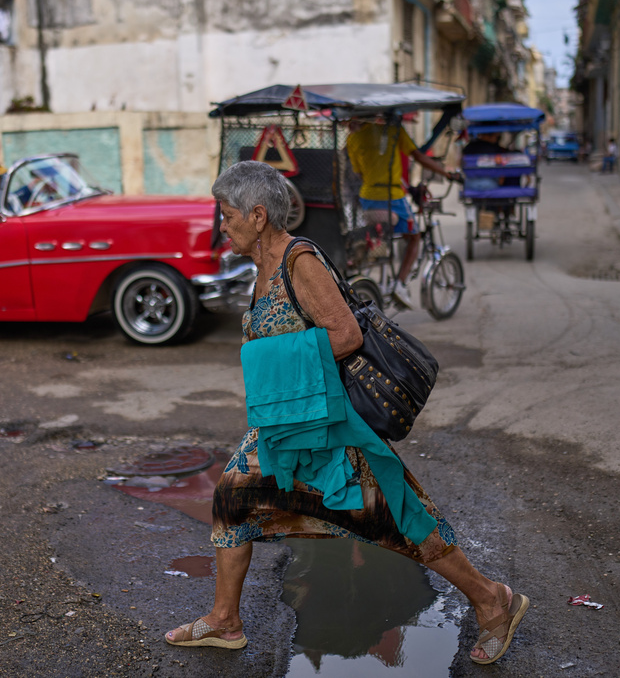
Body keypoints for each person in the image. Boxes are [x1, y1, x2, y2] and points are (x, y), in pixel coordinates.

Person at [163, 160, 529, 666]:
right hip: (286, 426)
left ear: (259, 215)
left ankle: (493, 600)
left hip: (330, 427)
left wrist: (277, 360)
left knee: (400, 520)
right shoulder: (261, 268)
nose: (222, 225)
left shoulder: (299, 261)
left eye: (227, 216)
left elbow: (346, 336)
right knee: (232, 499)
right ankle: (225, 621)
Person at [346, 120, 458, 309]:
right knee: (414, 237)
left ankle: (377, 266)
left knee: (381, 234)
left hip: (367, 198)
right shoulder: (394, 130)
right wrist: (447, 174)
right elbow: (420, 157)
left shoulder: (353, 139)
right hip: (392, 197)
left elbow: (359, 174)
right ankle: (400, 283)